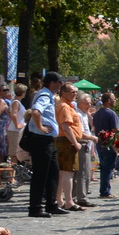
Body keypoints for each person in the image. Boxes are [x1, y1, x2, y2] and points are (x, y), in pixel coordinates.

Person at [23, 73, 63, 218]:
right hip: (41, 139)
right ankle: (35, 208)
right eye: (59, 82)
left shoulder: (48, 95)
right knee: (40, 174)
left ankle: (51, 204)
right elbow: (35, 111)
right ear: (52, 83)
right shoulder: (44, 95)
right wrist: (40, 127)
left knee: (53, 172)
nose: (60, 86)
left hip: (48, 140)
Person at [54, 82, 89, 212]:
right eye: (72, 92)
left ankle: (59, 200)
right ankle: (68, 201)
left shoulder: (66, 105)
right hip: (67, 142)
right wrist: (75, 143)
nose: (75, 94)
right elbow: (66, 127)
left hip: (65, 141)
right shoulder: (64, 106)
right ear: (63, 93)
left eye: (75, 92)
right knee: (68, 172)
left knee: (63, 173)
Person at [93, 90, 119, 197]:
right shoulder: (111, 114)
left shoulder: (97, 113)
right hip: (110, 144)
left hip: (100, 144)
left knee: (103, 168)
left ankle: (104, 189)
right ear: (109, 101)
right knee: (108, 168)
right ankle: (105, 191)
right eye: (114, 99)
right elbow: (115, 130)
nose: (115, 101)